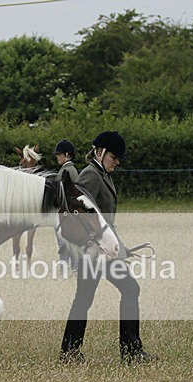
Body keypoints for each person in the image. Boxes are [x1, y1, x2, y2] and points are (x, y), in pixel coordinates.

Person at [59, 131, 156, 365]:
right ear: (99, 152)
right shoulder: (91, 176)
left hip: (104, 249)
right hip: (95, 252)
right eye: (114, 157)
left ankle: (69, 352)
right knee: (130, 290)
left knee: (84, 299)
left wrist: (119, 246)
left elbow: (104, 220)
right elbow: (79, 212)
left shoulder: (102, 173)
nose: (117, 162)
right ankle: (130, 351)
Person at [53, 140, 78, 268]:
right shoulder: (70, 169)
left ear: (67, 154)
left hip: (65, 215)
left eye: (59, 154)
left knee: (64, 247)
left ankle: (66, 272)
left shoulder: (66, 171)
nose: (57, 156)